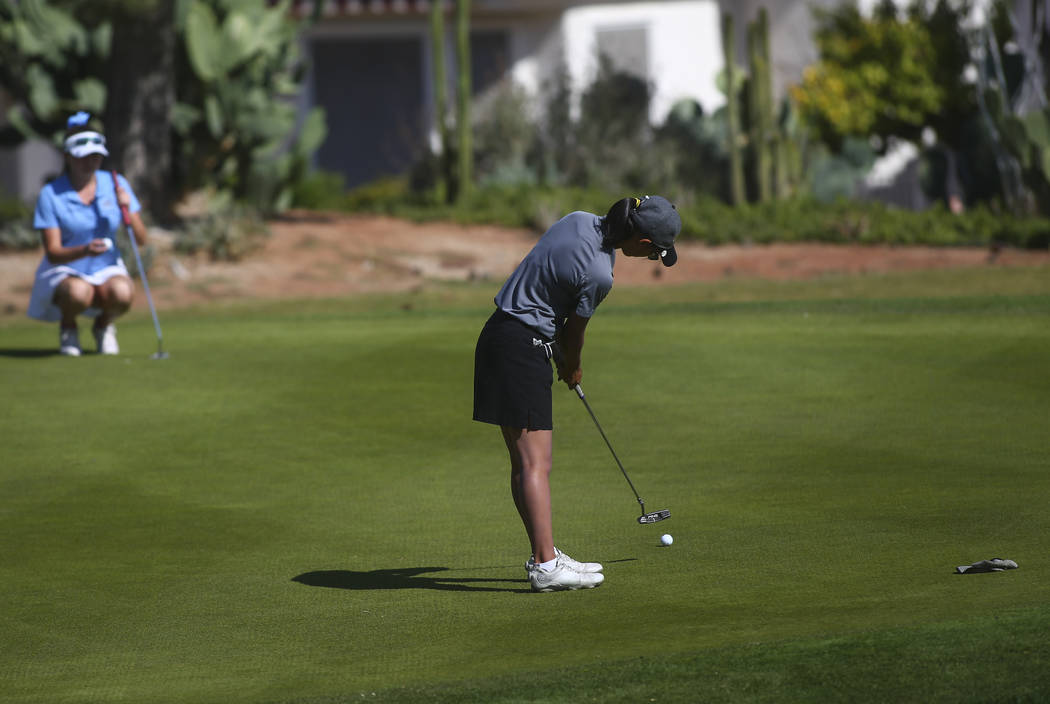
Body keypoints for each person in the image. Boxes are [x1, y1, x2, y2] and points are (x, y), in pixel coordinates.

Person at [473, 195, 682, 592]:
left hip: (504, 337)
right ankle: (546, 565)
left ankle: (545, 553)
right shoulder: (600, 273)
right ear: (640, 241)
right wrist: (571, 367)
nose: (653, 258)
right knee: (534, 464)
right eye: (655, 253)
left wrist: (561, 357)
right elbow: (575, 333)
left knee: (530, 462)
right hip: (521, 349)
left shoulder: (579, 219)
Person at [26, 111, 149, 356]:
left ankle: (103, 326)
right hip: (66, 269)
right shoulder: (51, 194)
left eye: (96, 157)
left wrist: (127, 209)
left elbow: (141, 240)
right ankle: (68, 327)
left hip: (106, 266)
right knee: (78, 292)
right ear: (68, 157)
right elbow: (53, 253)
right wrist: (85, 249)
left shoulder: (115, 183)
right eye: (83, 157)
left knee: (123, 293)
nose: (90, 163)